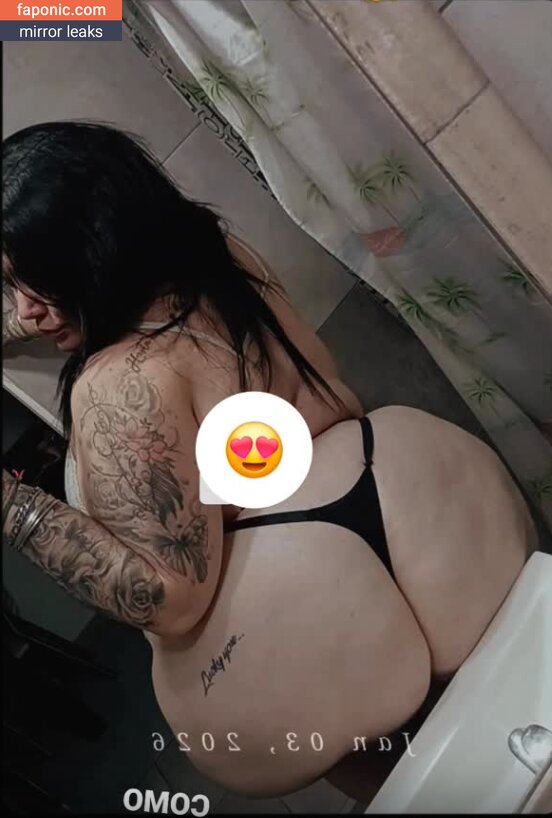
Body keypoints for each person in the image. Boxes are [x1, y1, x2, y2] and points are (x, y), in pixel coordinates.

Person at [2, 121, 537, 801]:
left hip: (313, 622)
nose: (27, 312)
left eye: (41, 282)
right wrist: (40, 305)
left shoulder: (114, 388)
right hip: (418, 492)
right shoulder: (213, 255)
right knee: (531, 710)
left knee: (455, 793)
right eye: (11, 285)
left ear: (92, 252)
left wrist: (14, 505)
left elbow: (168, 598)